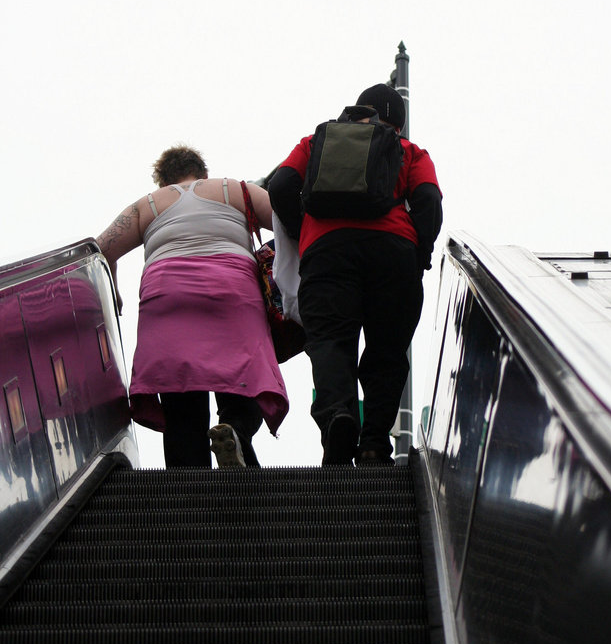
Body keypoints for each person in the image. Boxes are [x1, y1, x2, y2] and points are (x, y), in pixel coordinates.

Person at [269, 84, 442, 466]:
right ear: (397, 123)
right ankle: (375, 443)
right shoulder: (409, 151)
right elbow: (428, 199)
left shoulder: (315, 141)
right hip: (393, 255)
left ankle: (338, 418)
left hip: (327, 252)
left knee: (330, 341)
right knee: (387, 352)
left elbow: (282, 185)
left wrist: (306, 234)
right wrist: (418, 255)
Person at [96, 145, 288, 468]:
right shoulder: (234, 189)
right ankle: (236, 432)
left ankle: (188, 486)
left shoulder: (148, 204)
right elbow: (286, 221)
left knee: (180, 397)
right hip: (232, 293)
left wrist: (115, 292)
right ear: (203, 173)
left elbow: (102, 248)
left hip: (167, 298)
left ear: (163, 182)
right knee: (242, 379)